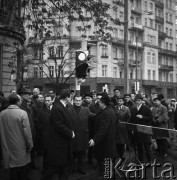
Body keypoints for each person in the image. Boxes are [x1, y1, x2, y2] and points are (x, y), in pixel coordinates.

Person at [42, 89, 75, 180]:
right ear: (67, 97)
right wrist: (70, 133)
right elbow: (59, 125)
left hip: (63, 144)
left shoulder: (61, 107)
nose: (71, 98)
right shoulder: (57, 108)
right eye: (70, 96)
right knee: (54, 168)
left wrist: (71, 131)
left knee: (63, 168)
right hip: (59, 144)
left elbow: (66, 122)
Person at [0, 94, 33, 180]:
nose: (21, 101)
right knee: (21, 168)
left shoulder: (2, 114)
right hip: (20, 145)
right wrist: (30, 145)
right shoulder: (22, 113)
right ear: (17, 102)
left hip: (6, 144)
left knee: (12, 169)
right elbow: (27, 133)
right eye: (20, 100)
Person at [89, 95, 117, 171]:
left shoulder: (106, 113)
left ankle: (107, 173)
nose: (99, 104)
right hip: (109, 138)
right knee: (106, 157)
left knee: (105, 157)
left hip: (105, 140)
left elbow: (103, 129)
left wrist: (95, 139)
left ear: (103, 103)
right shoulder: (109, 110)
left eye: (100, 103)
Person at [68, 95, 90, 174]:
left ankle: (81, 168)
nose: (78, 102)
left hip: (83, 134)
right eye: (76, 100)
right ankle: (72, 167)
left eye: (79, 100)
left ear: (82, 101)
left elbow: (92, 120)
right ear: (73, 101)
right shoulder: (68, 110)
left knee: (82, 153)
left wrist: (88, 129)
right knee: (72, 153)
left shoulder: (86, 110)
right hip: (73, 134)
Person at [130, 94, 153, 163]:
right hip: (137, 130)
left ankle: (150, 160)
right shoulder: (133, 109)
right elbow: (132, 119)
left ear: (141, 101)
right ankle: (141, 160)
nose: (137, 102)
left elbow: (150, 117)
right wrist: (131, 127)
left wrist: (142, 117)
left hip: (144, 129)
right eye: (136, 100)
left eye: (139, 100)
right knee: (139, 145)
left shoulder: (146, 108)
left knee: (146, 146)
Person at [36, 94, 53, 175]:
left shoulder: (56, 110)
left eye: (49, 100)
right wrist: (42, 130)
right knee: (45, 154)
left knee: (54, 153)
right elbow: (37, 122)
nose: (47, 102)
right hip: (45, 136)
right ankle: (45, 169)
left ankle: (53, 169)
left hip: (54, 137)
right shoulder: (41, 110)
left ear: (52, 100)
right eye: (46, 100)